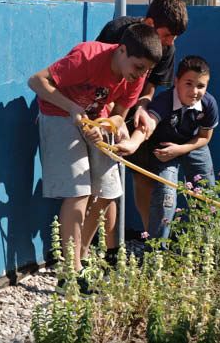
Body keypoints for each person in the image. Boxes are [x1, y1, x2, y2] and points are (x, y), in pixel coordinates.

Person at [27, 24, 162, 272]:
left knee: (109, 189)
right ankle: (72, 271)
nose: (141, 74)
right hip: (58, 114)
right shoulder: (87, 57)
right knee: (79, 191)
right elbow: (36, 81)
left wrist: (111, 125)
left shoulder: (136, 77)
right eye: (138, 67)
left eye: (147, 70)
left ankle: (83, 252)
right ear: (121, 50)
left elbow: (121, 114)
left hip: (94, 117)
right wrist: (71, 108)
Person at [96, 0, 188, 238]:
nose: (169, 42)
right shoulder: (116, 31)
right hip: (105, 105)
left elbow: (151, 87)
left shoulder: (167, 48)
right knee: (105, 180)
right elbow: (100, 73)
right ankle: (104, 244)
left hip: (134, 104)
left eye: (174, 38)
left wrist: (142, 107)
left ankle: (152, 244)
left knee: (142, 174)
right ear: (149, 25)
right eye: (167, 35)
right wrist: (110, 117)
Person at [115, 55, 218, 240]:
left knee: (207, 192)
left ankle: (206, 246)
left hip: (193, 145)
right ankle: (157, 250)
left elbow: (204, 137)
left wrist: (180, 149)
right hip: (165, 150)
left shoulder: (208, 104)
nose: (194, 91)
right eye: (188, 83)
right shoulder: (163, 101)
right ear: (177, 81)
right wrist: (132, 144)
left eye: (201, 86)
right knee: (166, 195)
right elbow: (147, 125)